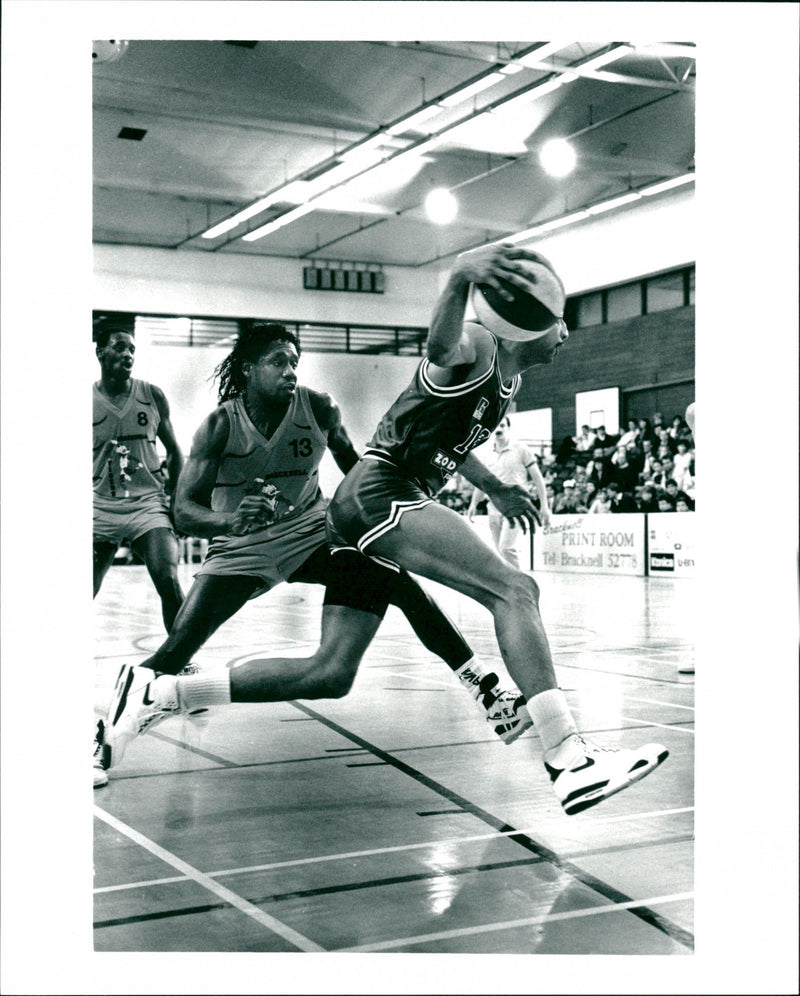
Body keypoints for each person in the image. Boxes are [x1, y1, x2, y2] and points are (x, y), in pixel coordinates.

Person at [101, 247, 669, 816]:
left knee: (332, 672)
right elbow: (440, 348)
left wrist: (495, 488)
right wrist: (459, 279)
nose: (567, 330)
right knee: (514, 589)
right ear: (523, 322)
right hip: (370, 496)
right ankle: (568, 757)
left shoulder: (502, 388)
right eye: (557, 316)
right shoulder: (478, 347)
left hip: (345, 513)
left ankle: (164, 693)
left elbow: (453, 448)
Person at [94, 322, 530, 786]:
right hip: (242, 549)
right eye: (278, 361)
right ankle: (104, 736)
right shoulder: (221, 425)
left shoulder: (319, 408)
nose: (290, 371)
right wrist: (230, 520)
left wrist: (373, 522)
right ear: (249, 369)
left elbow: (356, 468)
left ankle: (488, 693)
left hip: (311, 534)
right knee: (178, 648)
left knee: (395, 578)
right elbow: (183, 511)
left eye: (294, 362)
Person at [93, 326, 185, 631]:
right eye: (120, 347)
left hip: (147, 505)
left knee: (169, 578)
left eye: (132, 349)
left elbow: (174, 451)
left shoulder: (151, 395)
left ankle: (181, 660)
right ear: (100, 353)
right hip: (101, 506)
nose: (128, 354)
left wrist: (177, 501)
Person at [466, 415, 551, 567]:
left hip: (515, 506)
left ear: (508, 428)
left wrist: (545, 506)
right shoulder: (487, 455)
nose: (499, 429)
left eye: (502, 426)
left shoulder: (521, 449)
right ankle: (508, 586)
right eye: (496, 426)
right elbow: (483, 483)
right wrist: (473, 504)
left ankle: (520, 585)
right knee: (499, 552)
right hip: (493, 508)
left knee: (506, 548)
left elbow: (538, 479)